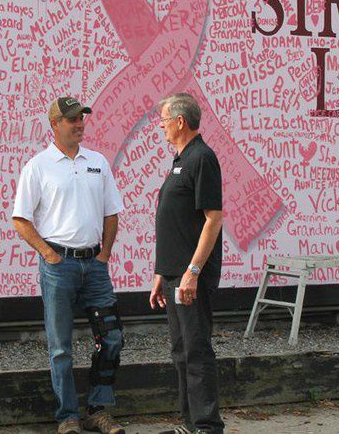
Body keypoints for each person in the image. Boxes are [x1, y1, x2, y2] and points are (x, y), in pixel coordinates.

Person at [12, 97, 127, 434]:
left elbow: (111, 212)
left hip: (95, 265)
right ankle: (68, 417)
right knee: (60, 346)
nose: (79, 124)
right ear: (55, 124)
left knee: (112, 337)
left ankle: (97, 410)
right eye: (72, 119)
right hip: (58, 266)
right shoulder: (38, 166)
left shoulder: (98, 162)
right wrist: (48, 254)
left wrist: (105, 254)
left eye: (81, 118)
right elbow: (21, 219)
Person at [149, 93, 225, 434]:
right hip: (173, 276)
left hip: (189, 278)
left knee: (196, 350)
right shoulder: (181, 160)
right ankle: (190, 424)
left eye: (164, 120)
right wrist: (161, 273)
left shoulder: (202, 158)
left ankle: (207, 426)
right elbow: (176, 222)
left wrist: (192, 272)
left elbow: (213, 219)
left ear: (180, 122)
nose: (161, 126)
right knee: (180, 350)